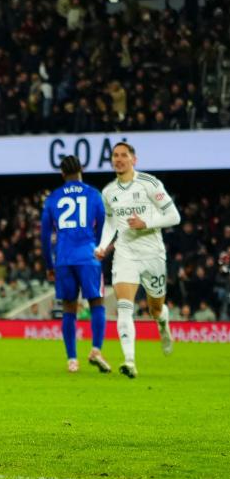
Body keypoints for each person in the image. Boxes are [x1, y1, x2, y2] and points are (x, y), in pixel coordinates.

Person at [95, 142, 181, 378]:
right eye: (115, 155)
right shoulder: (109, 192)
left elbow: (174, 216)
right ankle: (130, 361)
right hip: (125, 254)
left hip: (152, 254)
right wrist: (102, 246)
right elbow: (111, 222)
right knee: (124, 307)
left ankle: (163, 324)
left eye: (124, 155)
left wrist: (146, 224)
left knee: (155, 309)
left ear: (134, 160)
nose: (119, 159)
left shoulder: (149, 184)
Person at [40, 155, 111, 373]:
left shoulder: (52, 198)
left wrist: (49, 264)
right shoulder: (93, 194)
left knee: (69, 307)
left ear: (62, 174)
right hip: (88, 256)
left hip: (63, 258)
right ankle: (96, 350)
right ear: (82, 169)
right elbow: (103, 228)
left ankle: (72, 360)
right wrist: (100, 250)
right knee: (97, 303)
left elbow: (44, 236)